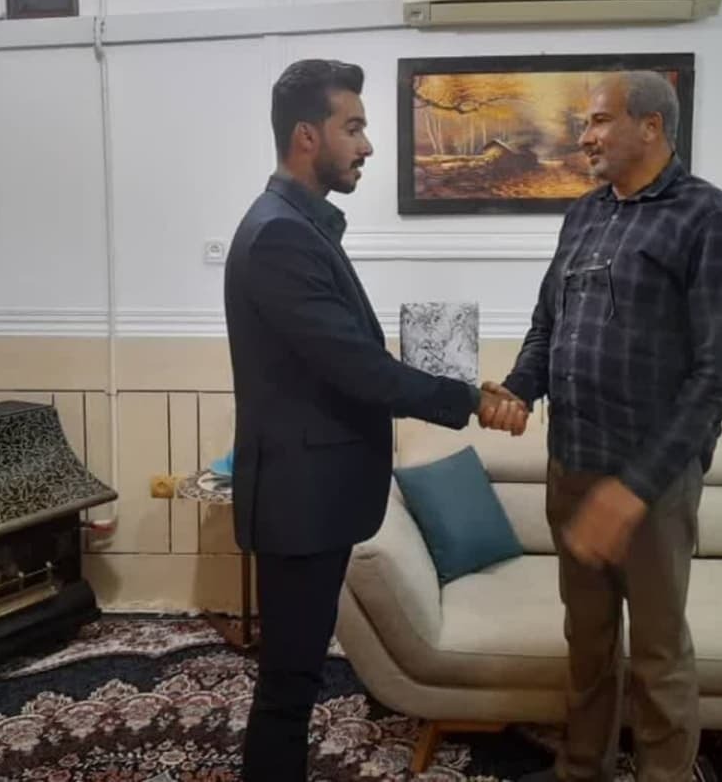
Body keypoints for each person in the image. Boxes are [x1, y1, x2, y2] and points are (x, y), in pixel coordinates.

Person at [224, 58, 528, 782]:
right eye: (353, 127)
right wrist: (470, 400)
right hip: (298, 500)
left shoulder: (300, 226)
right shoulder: (280, 236)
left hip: (310, 496)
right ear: (307, 136)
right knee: (288, 688)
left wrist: (464, 389)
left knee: (295, 679)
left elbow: (350, 360)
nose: (367, 145)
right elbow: (358, 368)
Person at [490, 71, 722, 782]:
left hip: (652, 486)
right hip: (572, 465)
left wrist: (635, 488)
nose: (584, 136)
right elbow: (548, 323)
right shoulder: (584, 214)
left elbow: (720, 375)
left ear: (652, 125)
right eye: (586, 122)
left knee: (658, 655)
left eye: (599, 120)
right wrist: (519, 387)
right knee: (587, 642)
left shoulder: (711, 219)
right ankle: (583, 769)